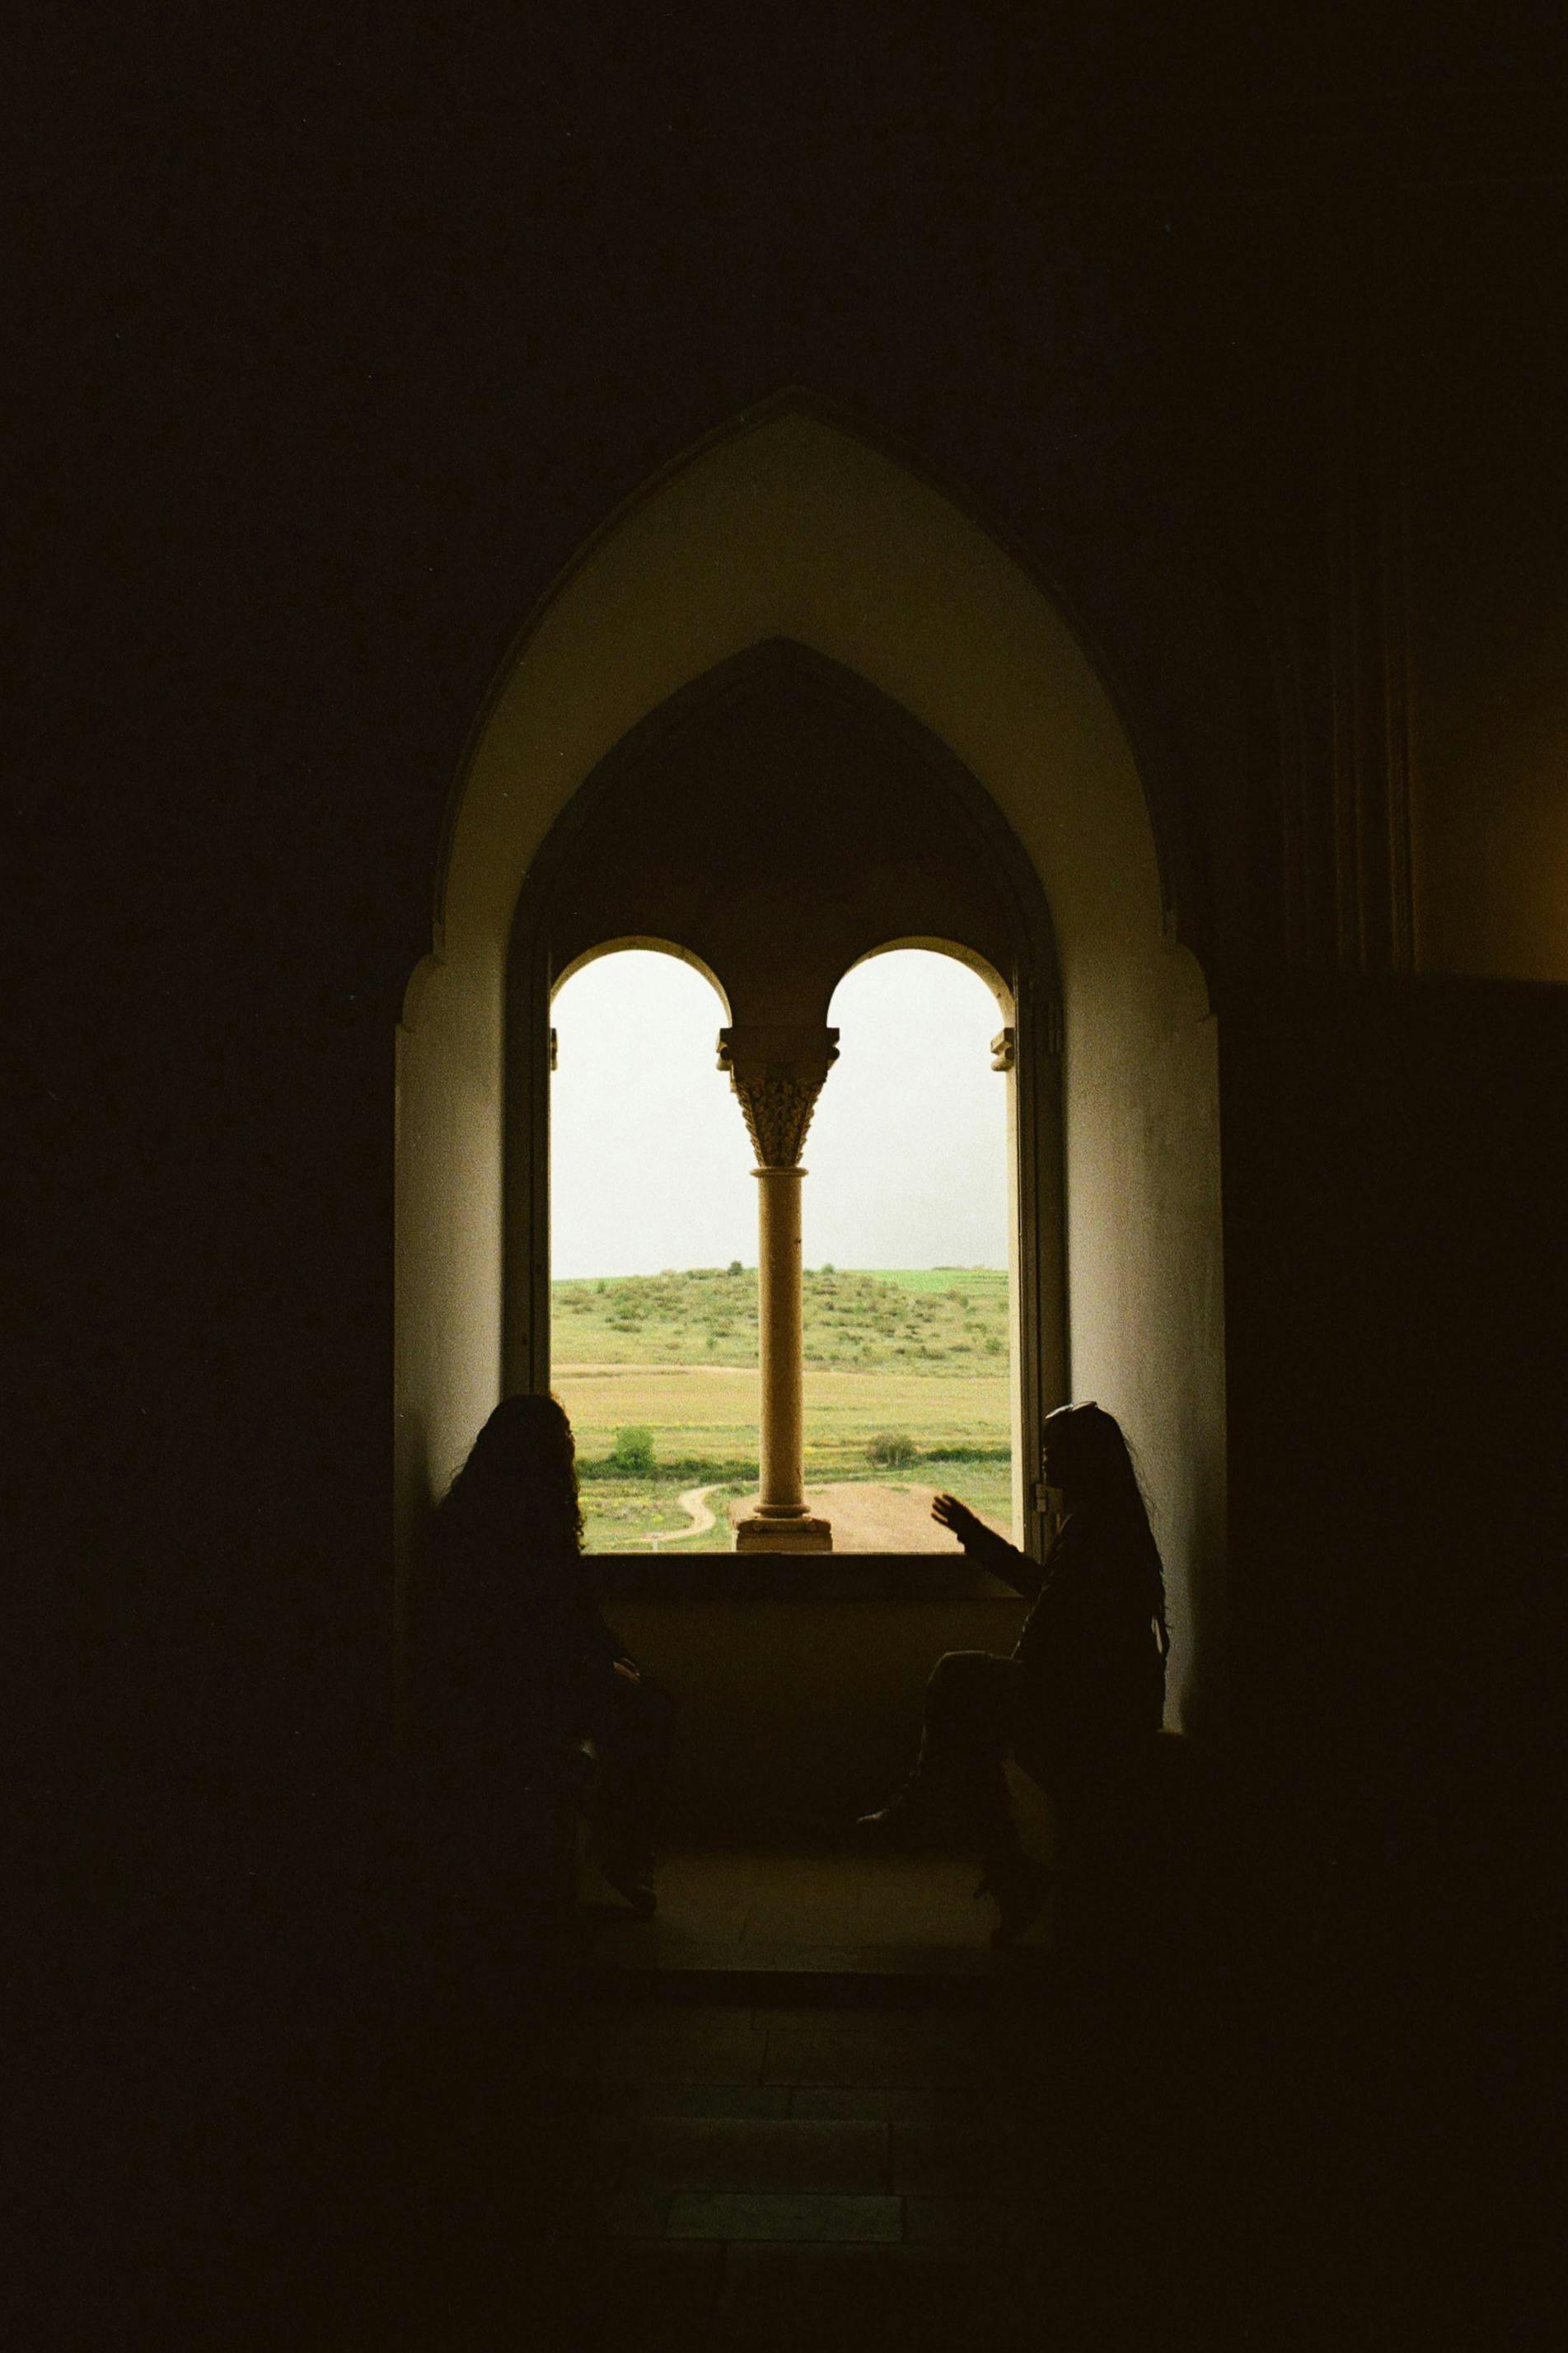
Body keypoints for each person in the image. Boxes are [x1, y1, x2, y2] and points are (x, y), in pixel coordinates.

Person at [859, 1401, 1169, 1947]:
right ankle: (993, 1861)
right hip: (1103, 1700)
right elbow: (1053, 1594)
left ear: (1083, 1458)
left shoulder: (1096, 1531)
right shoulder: (1106, 1524)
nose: (1044, 1461)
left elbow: (1057, 1608)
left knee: (958, 1681)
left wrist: (975, 1539)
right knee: (968, 1723)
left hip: (1094, 1706)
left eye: (1053, 1450)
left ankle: (949, 1822)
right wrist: (976, 1536)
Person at [414, 1393, 675, 1916]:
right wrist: (609, 1666)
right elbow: (529, 1633)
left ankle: (620, 1843)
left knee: (645, 1702)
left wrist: (612, 1662)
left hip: (532, 1678)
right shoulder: (524, 1529)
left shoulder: (478, 1520)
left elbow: (564, 1617)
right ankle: (623, 1849)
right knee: (650, 1712)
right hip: (519, 1687)